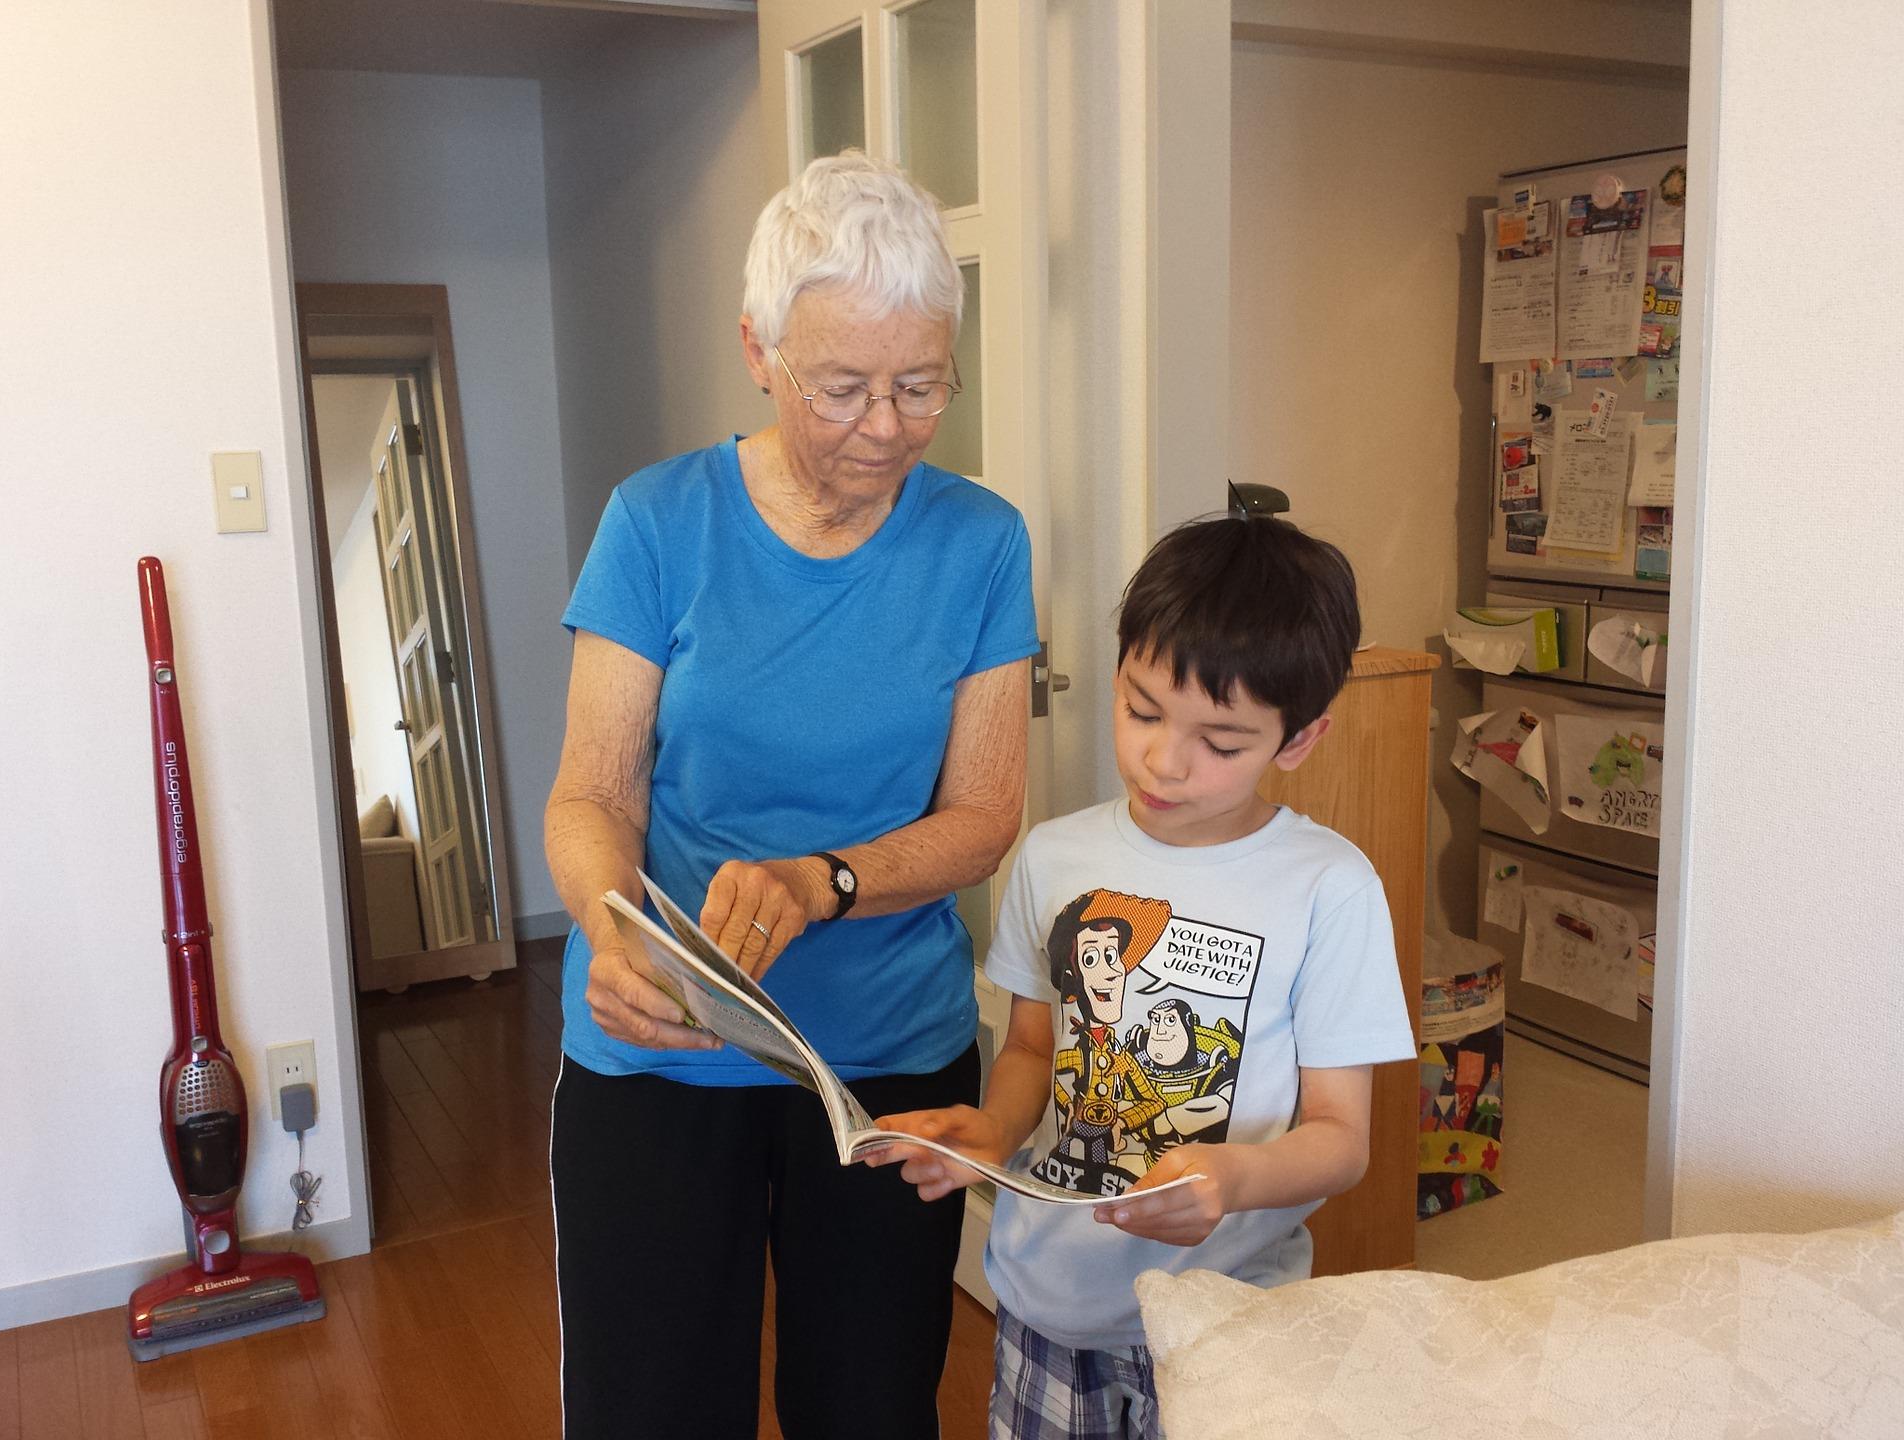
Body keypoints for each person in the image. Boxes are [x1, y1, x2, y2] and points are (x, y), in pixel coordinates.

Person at [544, 151, 1038, 1439]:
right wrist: (609, 929)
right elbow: (591, 793)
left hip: (889, 1061)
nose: (886, 425)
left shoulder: (982, 542)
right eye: (843, 386)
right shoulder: (657, 524)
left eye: (921, 385)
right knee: (650, 1408)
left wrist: (826, 884)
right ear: (758, 350)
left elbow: (984, 815)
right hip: (663, 1053)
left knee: (870, 1409)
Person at [871, 513, 1415, 1439]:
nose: (1165, 760)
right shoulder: (1054, 856)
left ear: (1299, 740)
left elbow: (1342, 1139)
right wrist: (993, 1129)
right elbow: (1036, 1044)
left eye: (1222, 741)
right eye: (1143, 710)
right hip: (1049, 1303)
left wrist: (1230, 1179)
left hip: (1226, 1317)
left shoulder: (1331, 887)